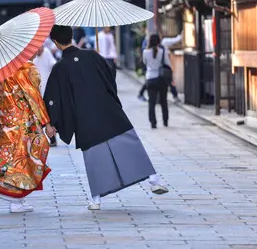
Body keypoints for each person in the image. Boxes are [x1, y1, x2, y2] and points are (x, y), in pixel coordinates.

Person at [44, 25, 168, 211]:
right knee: (128, 143)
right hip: (107, 108)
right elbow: (111, 74)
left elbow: (54, 98)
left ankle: (96, 199)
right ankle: (154, 180)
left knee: (94, 157)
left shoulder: (60, 68)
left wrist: (51, 123)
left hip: (85, 116)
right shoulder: (92, 55)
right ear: (71, 36)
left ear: (55, 42)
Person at [0, 61, 53, 213]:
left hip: (3, 121)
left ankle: (17, 201)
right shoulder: (25, 67)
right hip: (21, 123)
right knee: (21, 161)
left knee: (9, 160)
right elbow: (34, 97)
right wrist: (46, 121)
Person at [138, 32, 182, 102]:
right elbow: (167, 60)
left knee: (150, 85)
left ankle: (141, 94)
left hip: (151, 74)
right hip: (162, 70)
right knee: (169, 81)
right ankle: (175, 96)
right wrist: (171, 68)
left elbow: (145, 62)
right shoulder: (163, 45)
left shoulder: (146, 51)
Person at [143, 34, 171, 129]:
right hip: (161, 79)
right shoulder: (162, 52)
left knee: (151, 102)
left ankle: (153, 123)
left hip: (150, 78)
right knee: (163, 101)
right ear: (159, 42)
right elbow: (167, 63)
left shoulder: (145, 52)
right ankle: (165, 121)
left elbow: (145, 63)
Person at [33, 45, 58, 146]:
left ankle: (52, 138)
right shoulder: (32, 56)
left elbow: (53, 64)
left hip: (47, 87)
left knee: (48, 114)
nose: (39, 50)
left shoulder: (47, 52)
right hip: (36, 88)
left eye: (41, 48)